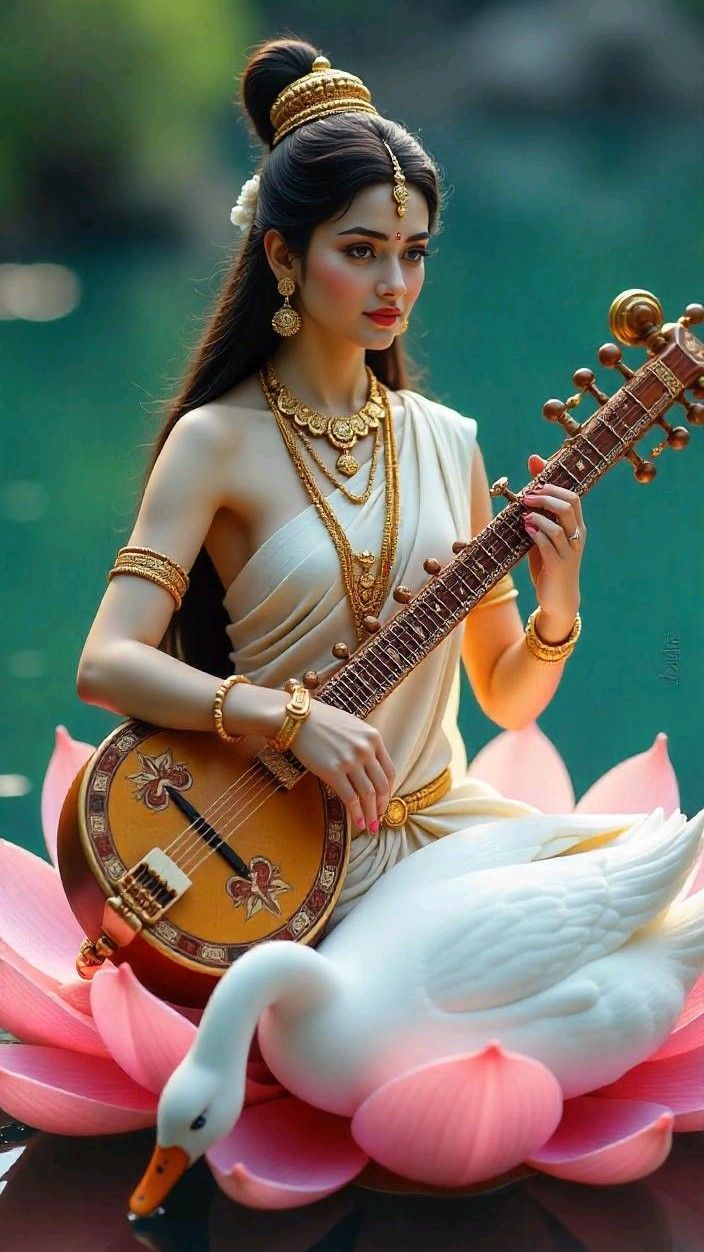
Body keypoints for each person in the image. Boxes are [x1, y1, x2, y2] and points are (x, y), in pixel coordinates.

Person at [76, 37, 588, 929]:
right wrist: (287, 720)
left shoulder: (447, 441)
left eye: (414, 252)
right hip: (277, 853)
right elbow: (107, 664)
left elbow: (506, 698)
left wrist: (556, 605)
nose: (395, 284)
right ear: (282, 256)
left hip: (439, 831)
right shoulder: (216, 441)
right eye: (361, 251)